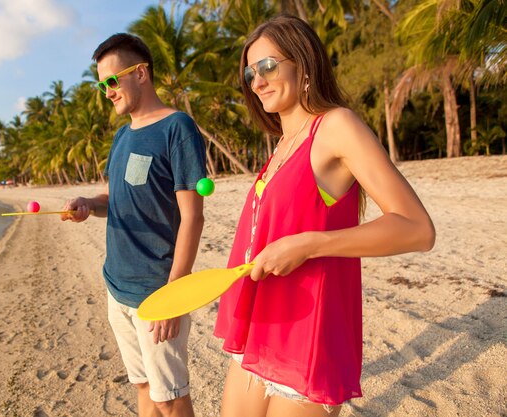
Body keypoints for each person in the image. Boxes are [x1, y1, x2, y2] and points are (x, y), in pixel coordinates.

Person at [213, 15, 435, 417]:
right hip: (261, 327)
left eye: (268, 66)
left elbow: (417, 228)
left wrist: (312, 243)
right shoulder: (282, 144)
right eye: (249, 72)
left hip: (308, 335)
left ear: (305, 65)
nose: (257, 81)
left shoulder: (335, 126)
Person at [61, 33, 206, 417]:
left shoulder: (178, 128)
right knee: (143, 386)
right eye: (101, 84)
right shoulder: (122, 136)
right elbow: (116, 199)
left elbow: (193, 216)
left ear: (141, 73)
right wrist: (86, 205)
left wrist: (174, 297)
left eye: (112, 80)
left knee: (171, 398)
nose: (107, 91)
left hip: (156, 291)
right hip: (116, 287)